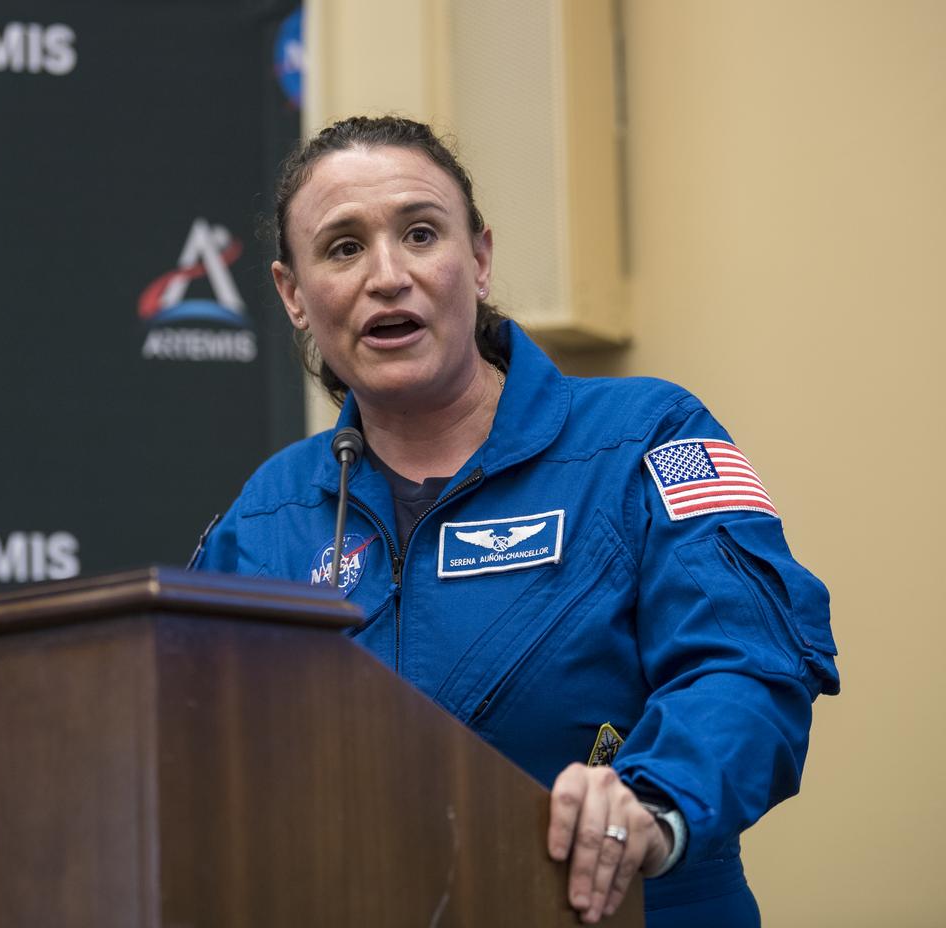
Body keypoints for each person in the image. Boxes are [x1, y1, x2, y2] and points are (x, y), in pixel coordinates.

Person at [191, 115, 839, 926]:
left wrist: (650, 806)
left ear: (481, 259)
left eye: (421, 233)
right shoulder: (266, 516)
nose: (387, 275)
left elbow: (749, 665)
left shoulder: (652, 436)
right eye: (344, 247)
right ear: (293, 294)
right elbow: (192, 756)